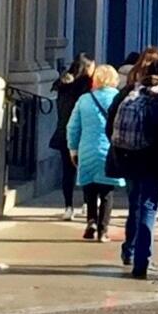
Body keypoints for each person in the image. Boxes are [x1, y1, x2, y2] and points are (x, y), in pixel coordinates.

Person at [105, 50, 158, 279]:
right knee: (148, 207)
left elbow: (110, 123)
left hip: (127, 157)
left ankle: (131, 250)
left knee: (134, 205)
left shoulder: (131, 91)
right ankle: (142, 261)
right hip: (152, 159)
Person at [66, 64, 122, 242]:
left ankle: (91, 221)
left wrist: (73, 149)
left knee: (89, 188)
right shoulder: (119, 98)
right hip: (110, 151)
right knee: (107, 193)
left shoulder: (84, 99)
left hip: (87, 149)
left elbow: (73, 127)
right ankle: (103, 230)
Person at [49, 54, 97, 216]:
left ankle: (68, 207)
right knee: (86, 170)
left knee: (68, 171)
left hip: (64, 132)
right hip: (84, 132)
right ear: (87, 67)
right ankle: (86, 203)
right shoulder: (87, 85)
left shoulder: (63, 83)